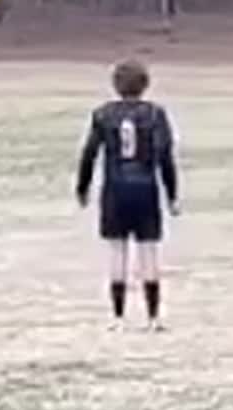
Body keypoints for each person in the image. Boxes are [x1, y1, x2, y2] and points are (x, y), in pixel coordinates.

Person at [75, 60, 182, 331]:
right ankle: (153, 317)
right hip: (146, 188)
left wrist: (82, 187)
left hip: (115, 188)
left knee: (117, 251)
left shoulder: (102, 114)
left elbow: (89, 153)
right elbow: (164, 155)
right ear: (145, 85)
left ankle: (118, 317)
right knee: (148, 252)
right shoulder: (156, 114)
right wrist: (171, 193)